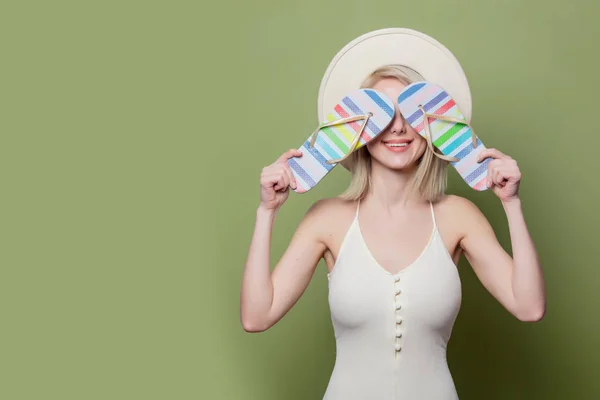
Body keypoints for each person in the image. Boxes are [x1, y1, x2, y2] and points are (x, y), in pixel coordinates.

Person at [240, 29, 546, 400]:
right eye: (382, 114)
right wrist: (266, 212)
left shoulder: (458, 217)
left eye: (411, 114)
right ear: (357, 129)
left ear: (432, 125)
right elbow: (256, 317)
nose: (398, 127)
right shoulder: (327, 220)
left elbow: (529, 307)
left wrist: (511, 204)